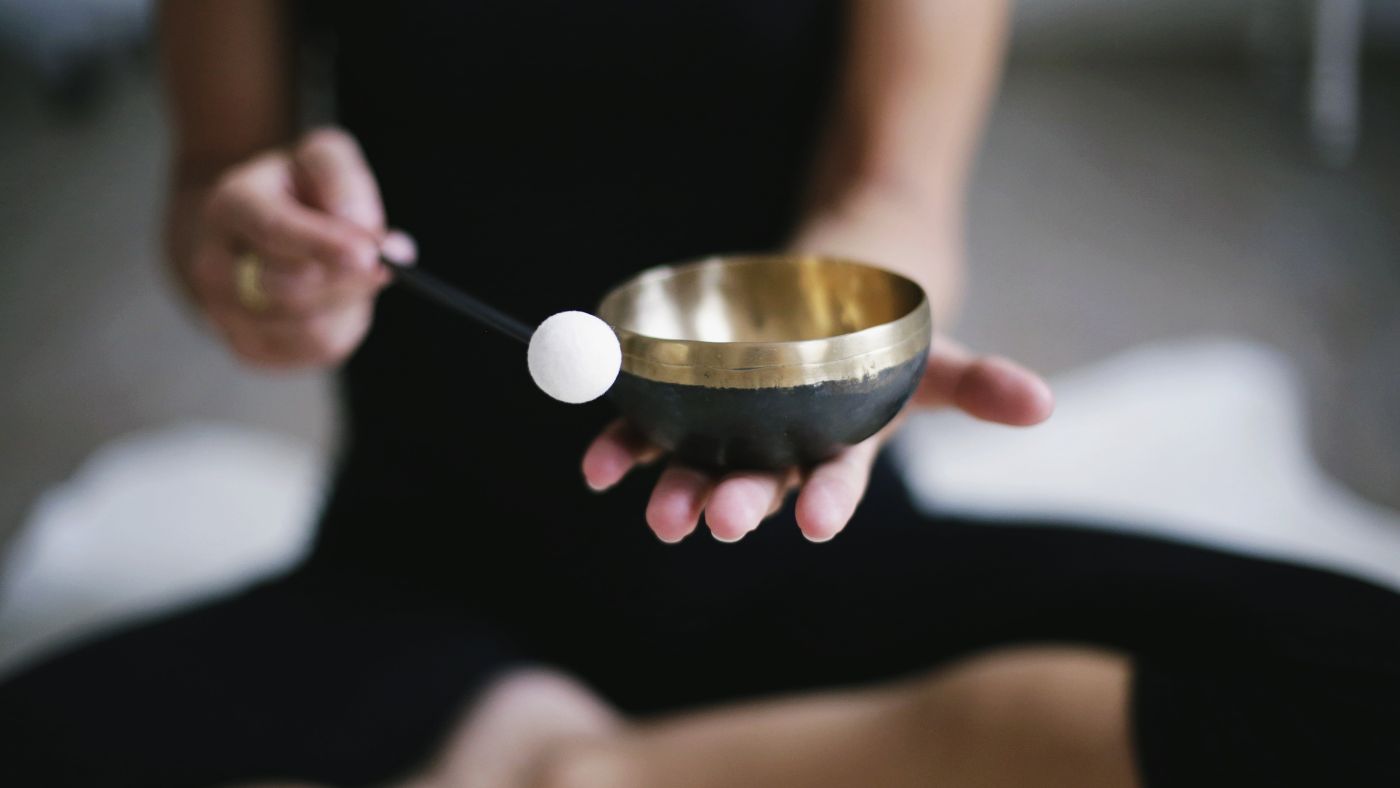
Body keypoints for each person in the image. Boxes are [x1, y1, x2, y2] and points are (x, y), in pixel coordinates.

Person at [2, 2, 1398, 786]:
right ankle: (516, 735)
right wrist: (258, 265)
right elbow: (211, 192)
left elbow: (893, 190)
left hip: (795, 548)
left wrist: (844, 361)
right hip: (423, 581)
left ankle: (608, 775)